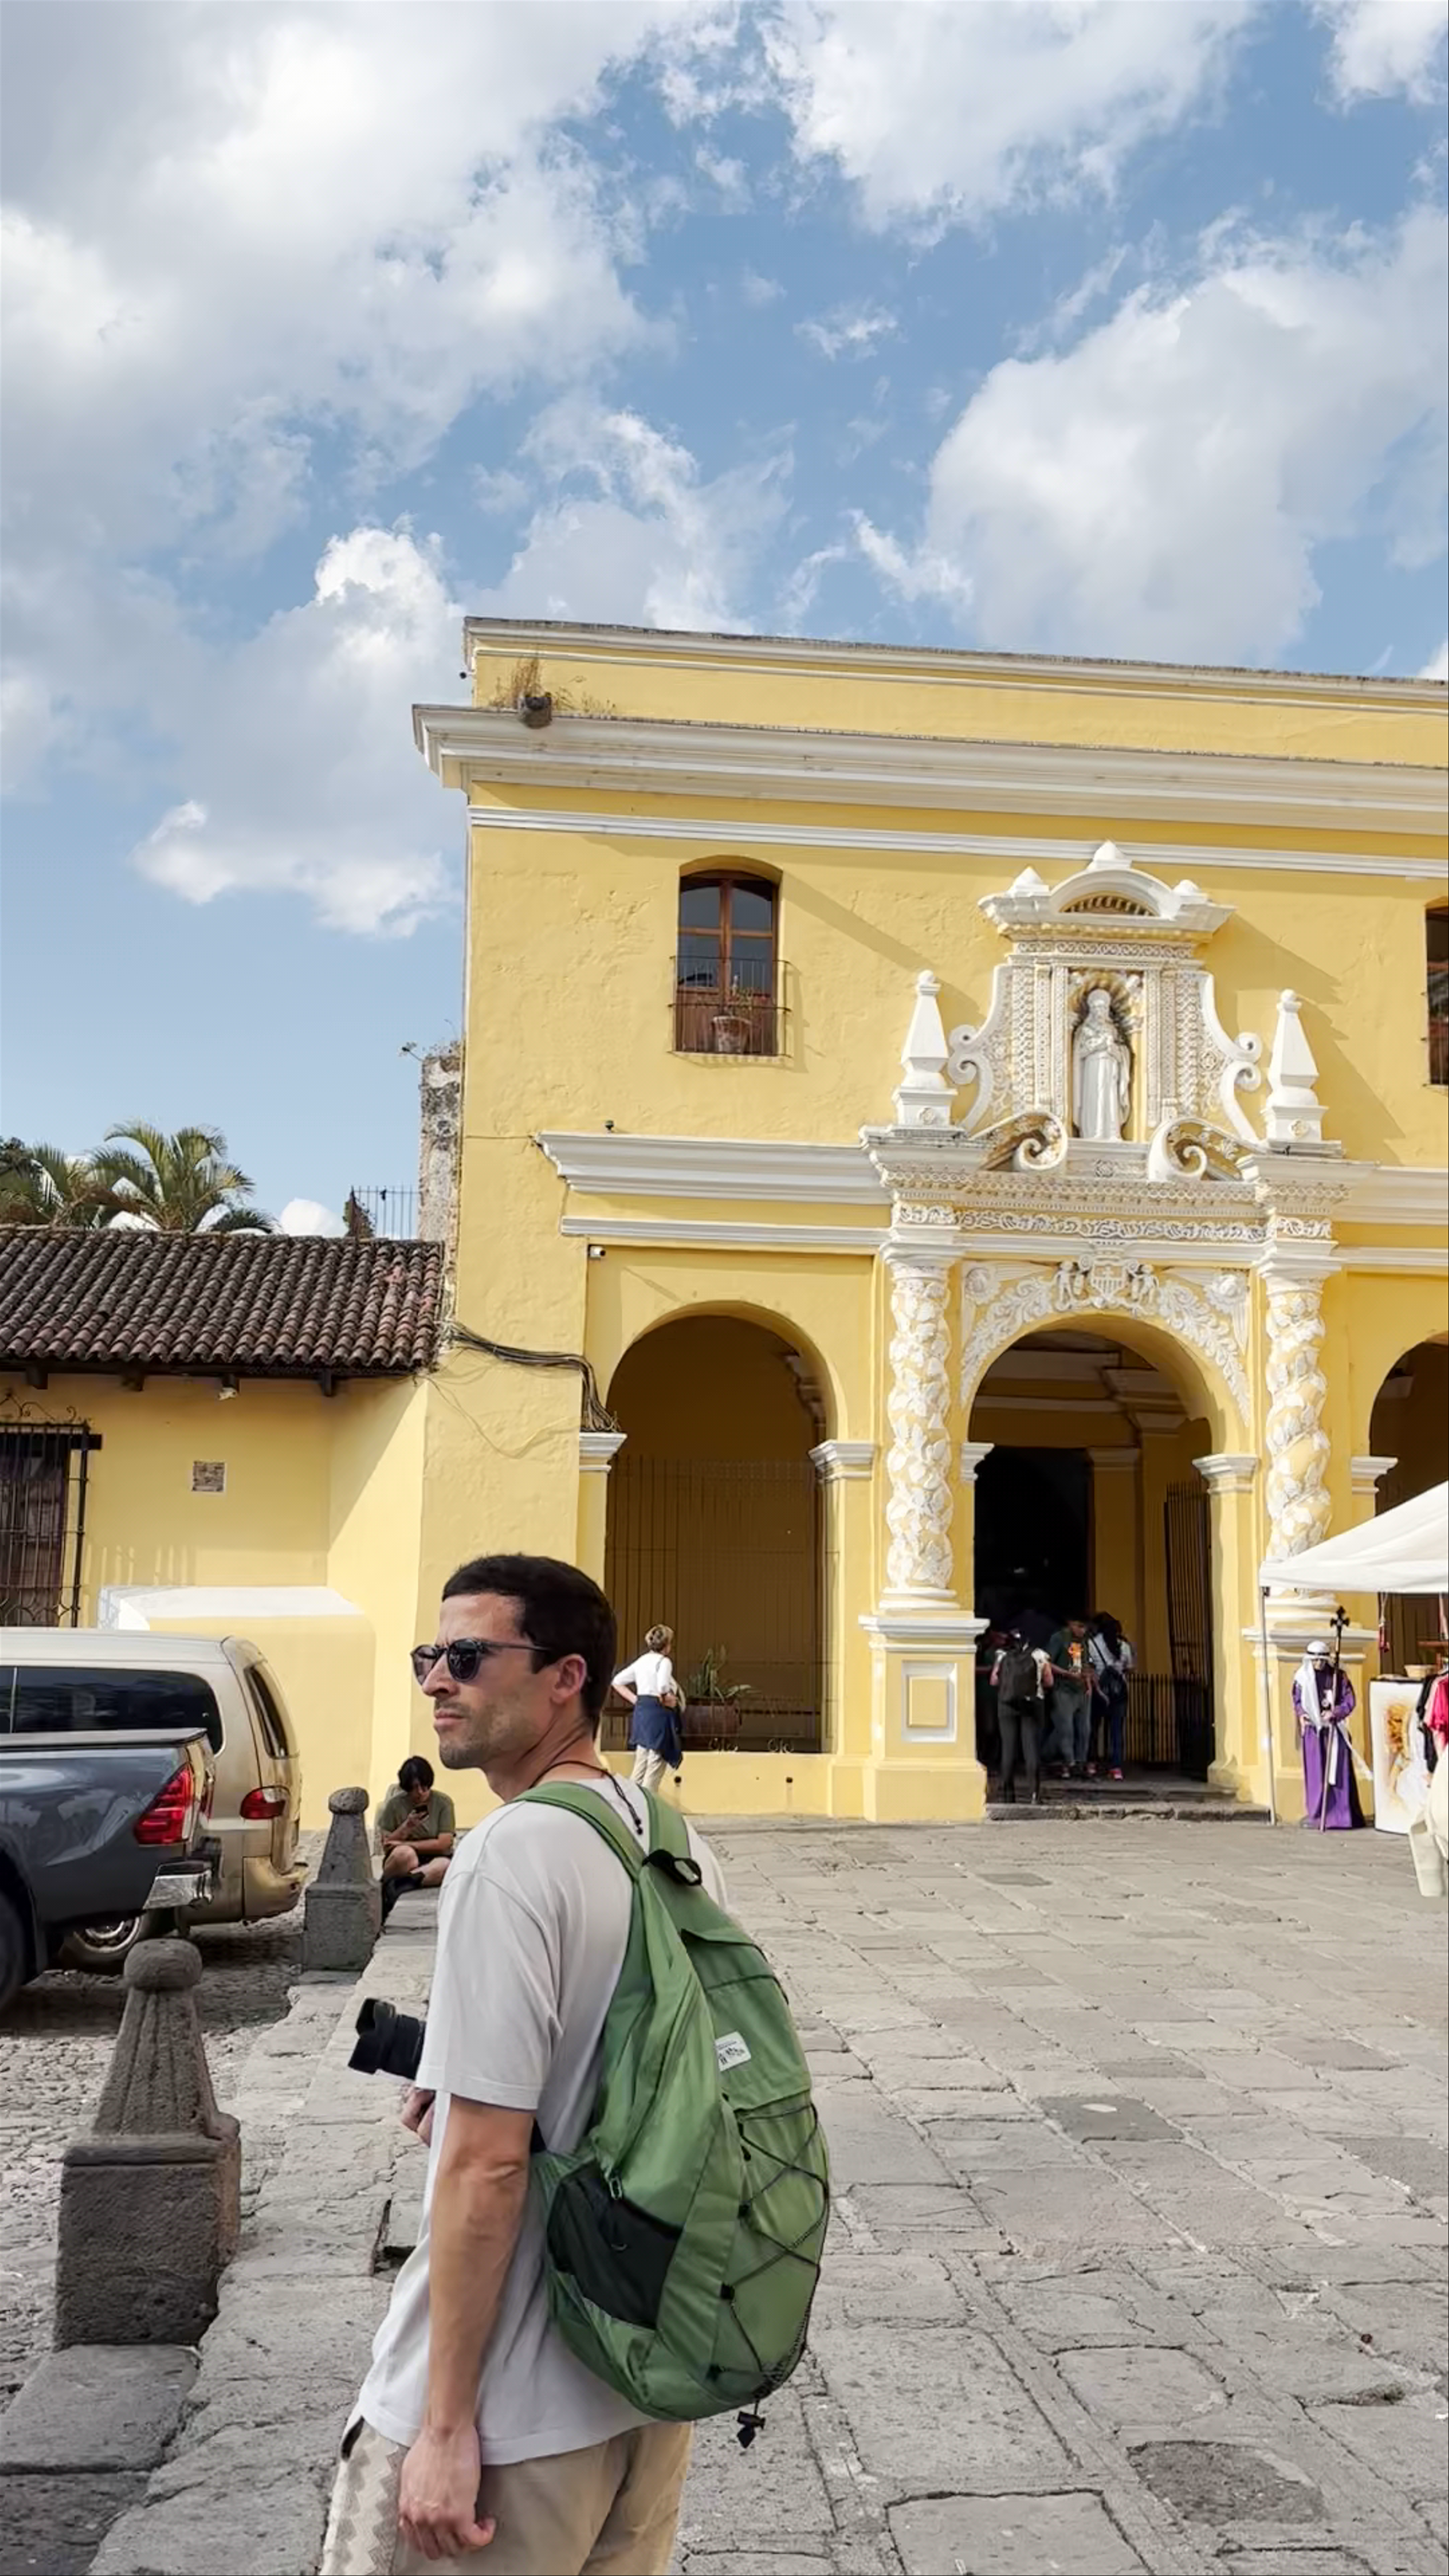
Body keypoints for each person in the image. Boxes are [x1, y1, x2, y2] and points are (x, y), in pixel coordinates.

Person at [321, 1555, 725, 2576]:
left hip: (509, 2419)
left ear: (565, 1677)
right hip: (639, 2387)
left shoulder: (507, 1852)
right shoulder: (670, 1836)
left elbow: (489, 2163)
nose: (435, 1679)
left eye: (468, 1655)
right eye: (429, 1654)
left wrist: (445, 2427)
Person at [1293, 1642, 1364, 1830]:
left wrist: (1335, 1712)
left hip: (1334, 1730)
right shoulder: (1302, 1678)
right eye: (1315, 1660)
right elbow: (1298, 1700)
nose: (1318, 1664)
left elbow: (1349, 1700)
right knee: (1316, 1774)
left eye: (1322, 1660)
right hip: (1313, 1732)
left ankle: (1341, 1817)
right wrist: (1303, 1714)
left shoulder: (1338, 1677)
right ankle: (1317, 1815)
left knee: (1338, 1774)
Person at [377, 1756, 457, 1915]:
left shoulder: (443, 1803)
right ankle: (393, 1883)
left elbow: (444, 1844)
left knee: (445, 1866)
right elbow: (387, 1844)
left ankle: (401, 1884)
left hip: (434, 1859)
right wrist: (407, 1827)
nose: (420, 1792)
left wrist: (406, 1844)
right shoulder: (394, 1805)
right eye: (414, 1788)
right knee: (406, 1855)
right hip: (404, 1858)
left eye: (424, 1787)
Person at [611, 1622, 682, 1795]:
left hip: (643, 1712)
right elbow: (663, 1685)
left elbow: (617, 1681)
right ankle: (648, 1801)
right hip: (659, 1712)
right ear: (666, 1645)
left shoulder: (641, 1661)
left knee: (641, 1760)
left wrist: (636, 1700)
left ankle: (630, 1801)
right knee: (656, 1761)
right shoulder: (664, 1662)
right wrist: (666, 1698)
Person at [990, 1628, 1051, 1803]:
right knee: (1031, 1749)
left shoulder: (1002, 1655)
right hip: (1031, 1705)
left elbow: (994, 1680)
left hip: (1006, 1705)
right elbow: (1049, 1681)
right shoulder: (1040, 1655)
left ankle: (1008, 1794)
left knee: (1008, 1749)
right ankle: (1034, 1794)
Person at [1087, 1613, 1134, 1782]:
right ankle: (1116, 1768)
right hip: (1119, 1693)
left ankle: (1092, 1764)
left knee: (1094, 1729)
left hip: (1099, 1691)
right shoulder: (1124, 1646)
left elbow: (1090, 1668)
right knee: (1116, 1731)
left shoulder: (1092, 1644)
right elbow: (1130, 1668)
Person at [1046, 1616, 1094, 1779]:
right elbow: (1047, 1663)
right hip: (1064, 1689)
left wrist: (1089, 1684)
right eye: (1080, 1626)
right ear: (1071, 1624)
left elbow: (1085, 1663)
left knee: (1085, 1729)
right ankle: (1069, 1762)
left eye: (1085, 1627)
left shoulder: (1083, 1641)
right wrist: (1066, 1674)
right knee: (1066, 1728)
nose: (1083, 1630)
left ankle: (1081, 1761)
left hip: (1081, 1689)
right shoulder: (1059, 1638)